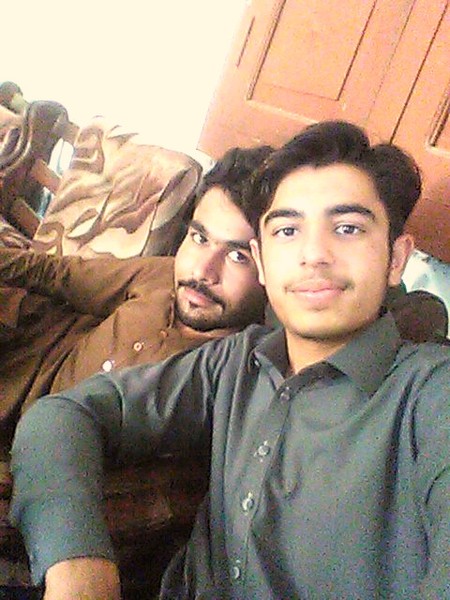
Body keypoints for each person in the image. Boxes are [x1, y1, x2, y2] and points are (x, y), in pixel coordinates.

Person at [9, 121, 450, 599]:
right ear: (265, 259)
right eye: (287, 230)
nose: (313, 255)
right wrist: (79, 568)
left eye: (347, 228)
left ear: (395, 259)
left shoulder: (429, 396)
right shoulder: (235, 363)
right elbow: (66, 413)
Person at [0, 145, 272, 446]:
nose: (202, 271)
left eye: (238, 256)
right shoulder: (163, 274)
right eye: (199, 238)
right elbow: (58, 274)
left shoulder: (226, 382)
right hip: (22, 354)